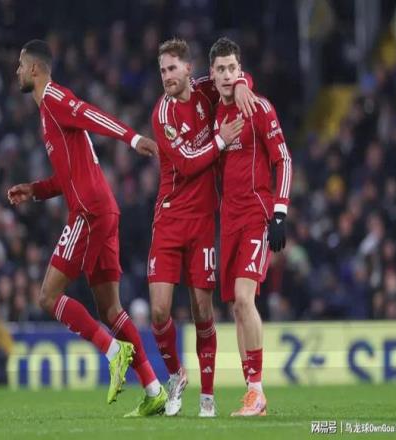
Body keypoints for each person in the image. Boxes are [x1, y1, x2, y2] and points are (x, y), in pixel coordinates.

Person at [8, 39, 166, 415]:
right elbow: (67, 178)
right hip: (103, 209)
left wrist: (133, 138)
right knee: (111, 309)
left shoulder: (55, 98)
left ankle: (112, 352)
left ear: (34, 69)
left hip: (88, 212)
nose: (17, 71)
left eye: (20, 65)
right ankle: (154, 389)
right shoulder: (47, 115)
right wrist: (36, 190)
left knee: (47, 297)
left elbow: (92, 114)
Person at [149, 38, 258, 417]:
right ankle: (176, 375)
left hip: (202, 222)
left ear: (188, 70)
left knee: (202, 310)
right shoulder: (162, 114)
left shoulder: (204, 92)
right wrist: (220, 140)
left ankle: (207, 398)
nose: (166, 76)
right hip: (168, 219)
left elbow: (232, 77)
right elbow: (186, 163)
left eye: (172, 69)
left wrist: (243, 84)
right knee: (159, 311)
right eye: (162, 70)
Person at [210, 37, 292, 416]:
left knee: (245, 298)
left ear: (240, 70)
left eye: (233, 69)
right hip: (227, 220)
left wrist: (280, 212)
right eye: (221, 69)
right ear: (212, 74)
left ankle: (258, 391)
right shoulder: (213, 112)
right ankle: (251, 393)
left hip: (257, 215)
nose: (228, 75)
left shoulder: (258, 108)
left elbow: (283, 160)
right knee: (236, 308)